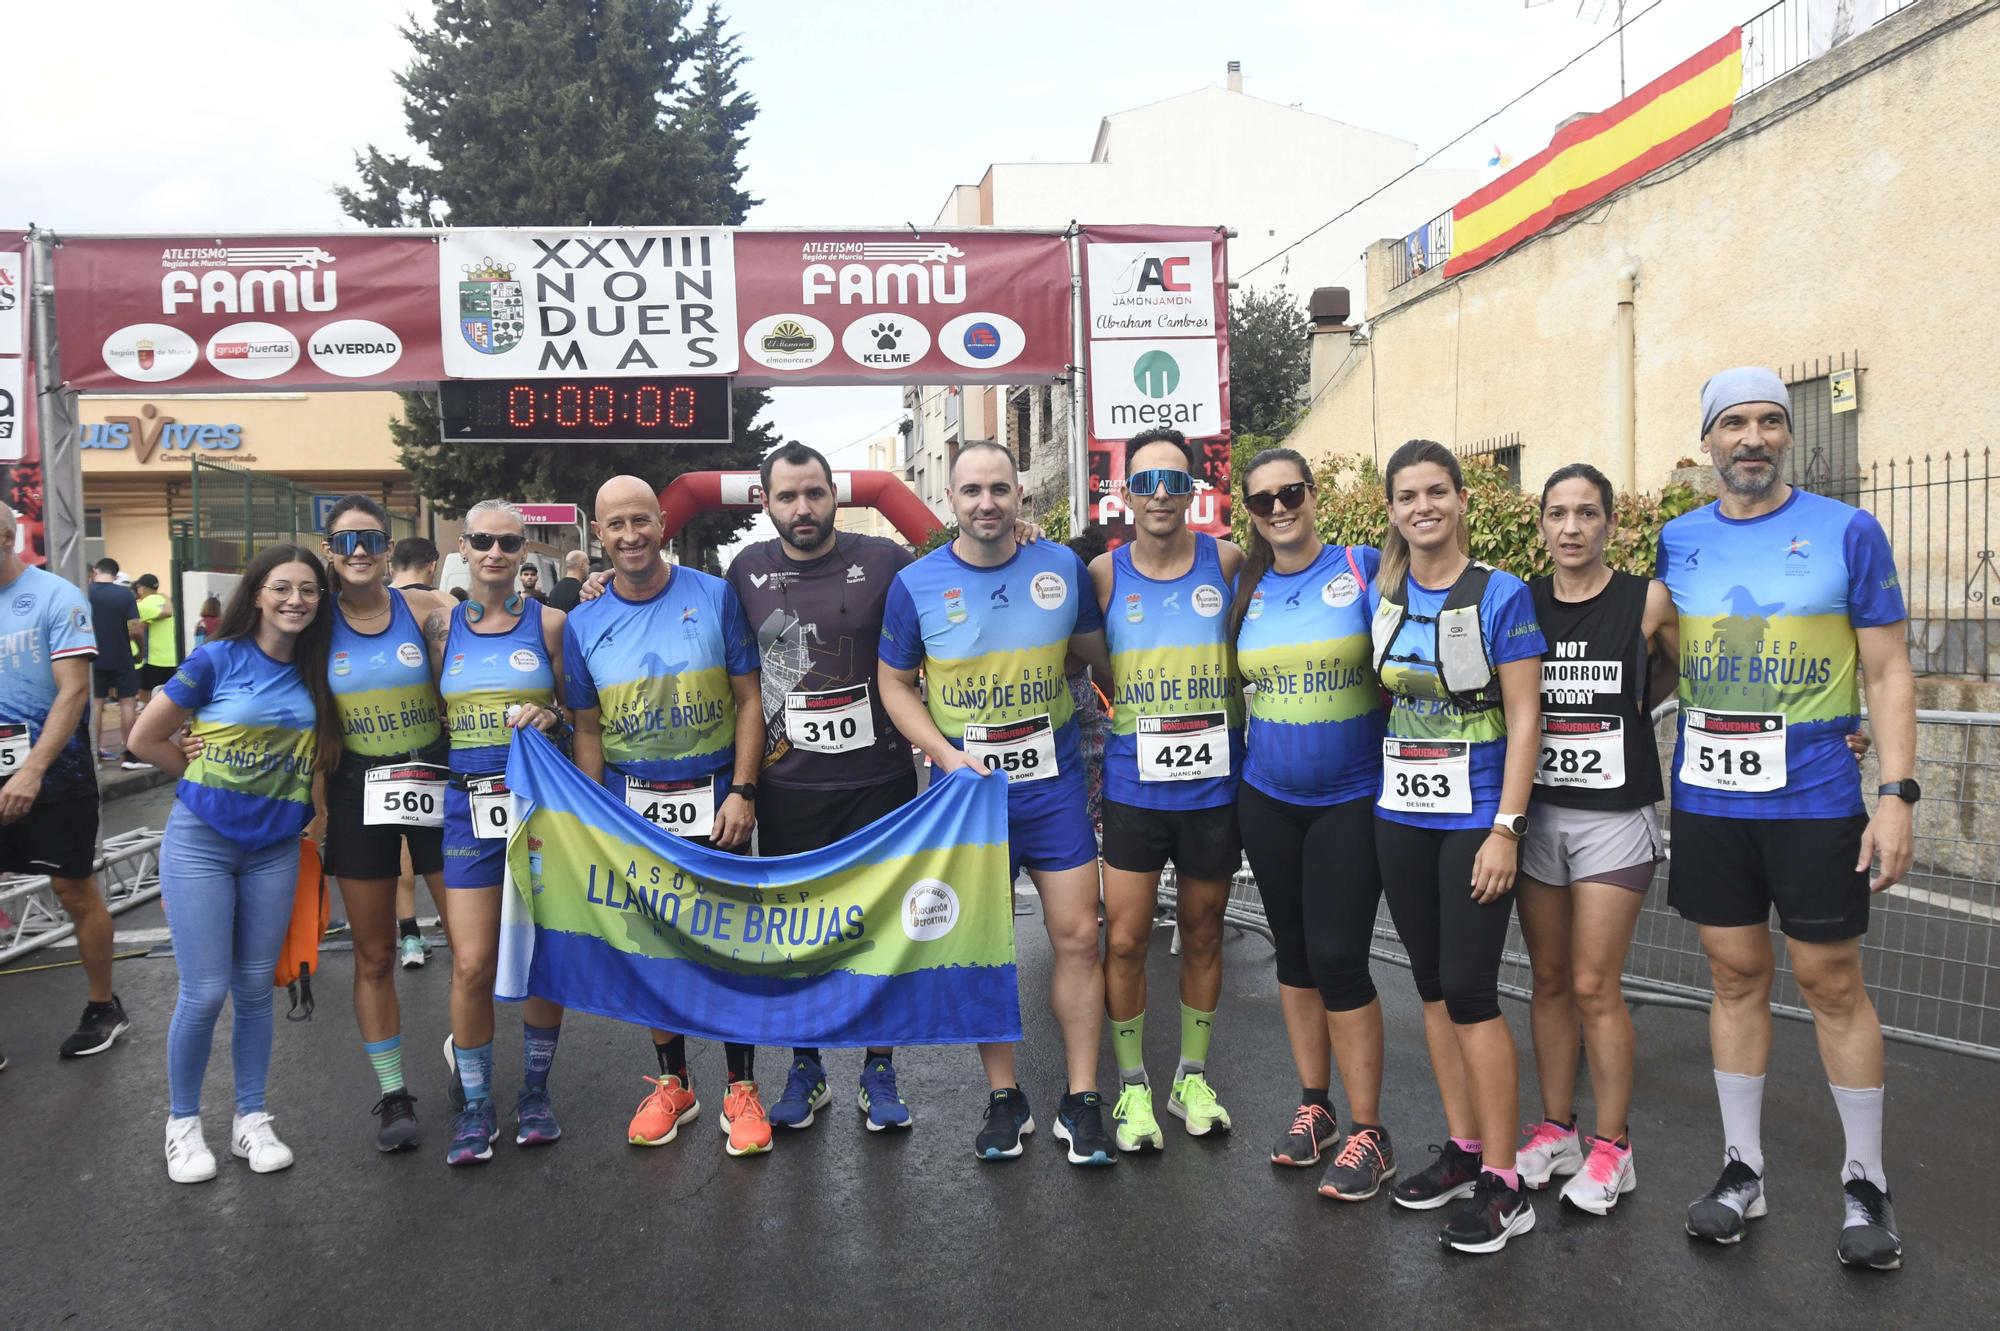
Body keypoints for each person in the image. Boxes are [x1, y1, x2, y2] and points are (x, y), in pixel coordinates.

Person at [1658, 367, 1915, 1270]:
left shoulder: (1847, 531)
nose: (1755, 438)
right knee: (1733, 975)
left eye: (1771, 421)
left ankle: (1864, 1181)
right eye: (1735, 423)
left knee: (1831, 981)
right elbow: (1644, 642)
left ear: (1788, 436)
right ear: (1708, 443)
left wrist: (1896, 793)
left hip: (1815, 798)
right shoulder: (1675, 542)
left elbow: (1885, 672)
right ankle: (1742, 1169)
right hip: (1709, 799)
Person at [879, 441, 1118, 1166]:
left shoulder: (1061, 568)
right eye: (972, 489)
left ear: (1021, 498)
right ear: (951, 498)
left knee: (1078, 936)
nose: (987, 501)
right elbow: (894, 683)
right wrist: (946, 754)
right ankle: (1004, 1096)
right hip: (969, 799)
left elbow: (1091, 656)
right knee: (988, 945)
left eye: (1000, 489)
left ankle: (1081, 1098)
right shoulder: (915, 583)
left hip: (1053, 785)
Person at [1371, 439, 1546, 1254]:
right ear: (1393, 509)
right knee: (1434, 986)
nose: (1423, 507)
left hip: (1476, 816)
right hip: (1400, 812)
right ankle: (1465, 1146)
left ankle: (1506, 1182)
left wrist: (1506, 828)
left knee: (1474, 990)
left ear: (1463, 498)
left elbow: (1524, 722)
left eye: (1436, 491)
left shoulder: (1501, 594)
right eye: (1408, 496)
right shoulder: (1386, 588)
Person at [563, 475, 768, 1157]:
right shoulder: (584, 621)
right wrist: (594, 817)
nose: (629, 536)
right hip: (631, 807)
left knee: (730, 944)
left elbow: (748, 699)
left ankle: (742, 1087)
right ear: (599, 534)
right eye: (615, 524)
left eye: (641, 521)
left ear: (663, 524)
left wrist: (743, 788)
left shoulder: (713, 596)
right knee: (652, 948)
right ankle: (675, 1081)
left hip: (717, 799)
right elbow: (587, 731)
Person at [127, 543, 344, 1183]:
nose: (295, 600)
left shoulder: (319, 669)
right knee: (203, 991)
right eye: (282, 588)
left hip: (275, 848)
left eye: (308, 590)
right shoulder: (216, 658)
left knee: (254, 988)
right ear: (257, 594)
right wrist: (195, 771)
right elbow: (144, 738)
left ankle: (251, 1119)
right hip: (201, 842)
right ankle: (182, 1126)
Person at [723, 443, 919, 1135]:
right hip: (790, 785)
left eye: (813, 493)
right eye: (787, 496)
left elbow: (959, 579)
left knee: (877, 931)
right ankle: (806, 1067)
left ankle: (878, 1065)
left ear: (836, 494)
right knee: (798, 935)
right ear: (765, 502)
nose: (802, 508)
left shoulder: (888, 558)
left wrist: (1021, 534)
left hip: (879, 779)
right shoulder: (744, 569)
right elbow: (739, 679)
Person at [1228, 447, 1398, 1201]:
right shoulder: (1247, 587)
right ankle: (1314, 1105)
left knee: (1338, 956)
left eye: (1289, 493)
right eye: (1262, 502)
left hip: (1351, 796)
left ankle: (1372, 1129)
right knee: (1292, 952)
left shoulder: (1363, 569)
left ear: (1312, 493)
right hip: (1266, 795)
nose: (1278, 510)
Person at [1509, 463, 1672, 1215]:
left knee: (1593, 983)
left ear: (1611, 523)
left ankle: (1615, 1146)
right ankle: (1557, 1128)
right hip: (1538, 814)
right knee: (1546, 978)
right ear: (1540, 523)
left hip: (1614, 817)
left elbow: (1679, 674)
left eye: (1586, 513)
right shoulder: (1522, 603)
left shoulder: (1648, 600)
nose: (1571, 527)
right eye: (1557, 513)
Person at [1089, 428, 1245, 1154]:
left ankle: (1191, 1075)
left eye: (1174, 483)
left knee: (1205, 932)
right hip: (1135, 786)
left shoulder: (1229, 560)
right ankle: (1132, 1086)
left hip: (1214, 788)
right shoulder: (1102, 574)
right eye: (1146, 481)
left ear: (1193, 492)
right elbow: (1083, 660)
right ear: (1124, 492)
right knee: (1122, 938)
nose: (1160, 495)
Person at [425, 501, 568, 1167]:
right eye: (482, 540)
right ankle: (477, 1104)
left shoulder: (553, 624)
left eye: (509, 541)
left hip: (537, 809)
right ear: (463, 544)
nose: (495, 551)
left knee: (542, 955)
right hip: (468, 810)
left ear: (523, 548)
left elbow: (575, 713)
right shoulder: (438, 625)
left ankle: (534, 1093)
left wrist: (551, 716)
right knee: (473, 961)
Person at [320, 495, 455, 1152]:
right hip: (355, 791)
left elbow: (504, 624)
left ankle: (470, 1051)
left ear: (387, 543)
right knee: (374, 954)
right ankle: (393, 1091)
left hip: (432, 775)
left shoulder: (424, 609)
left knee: (472, 945)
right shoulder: (314, 622)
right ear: (328, 551)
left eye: (370, 538)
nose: (359, 552)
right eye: (345, 542)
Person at [0, 504, 132, 1068]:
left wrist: (31, 769)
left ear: (7, 537)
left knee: (72, 891)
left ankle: (104, 1005)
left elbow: (74, 691)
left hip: (55, 775)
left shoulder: (55, 597)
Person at [390, 535, 449, 965]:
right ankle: (460, 923)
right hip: (435, 735)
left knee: (399, 841)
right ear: (432, 565)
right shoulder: (443, 604)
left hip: (381, 738)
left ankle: (409, 933)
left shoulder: (370, 607)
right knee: (440, 838)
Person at [86, 558, 148, 769]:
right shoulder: (124, 595)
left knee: (96, 704)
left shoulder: (84, 593)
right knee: (127, 703)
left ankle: (94, 754)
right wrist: (140, 650)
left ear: (95, 571)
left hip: (92, 657)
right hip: (121, 656)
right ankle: (130, 754)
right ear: (116, 574)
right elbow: (136, 628)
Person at [133, 574, 179, 697]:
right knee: (169, 698)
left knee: (147, 701)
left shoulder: (141, 605)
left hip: (152, 659)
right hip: (173, 659)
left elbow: (138, 631)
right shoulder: (169, 604)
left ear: (142, 588)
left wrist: (140, 653)